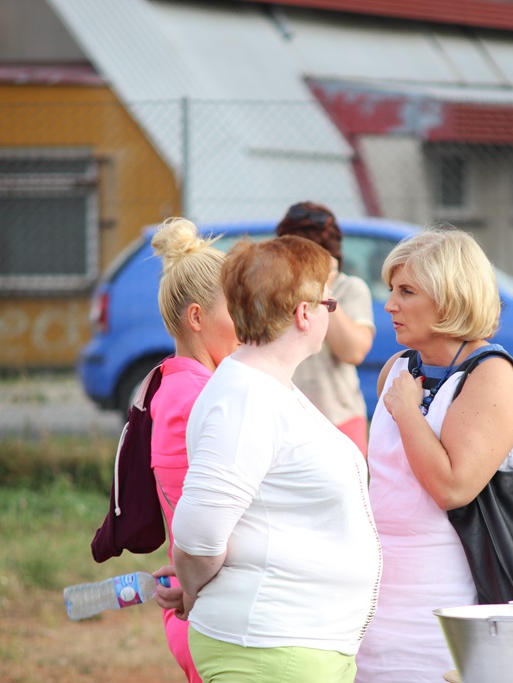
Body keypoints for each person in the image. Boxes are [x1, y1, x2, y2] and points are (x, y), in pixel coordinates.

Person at [171, 235, 383, 683]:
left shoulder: (264, 388)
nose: (332, 311)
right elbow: (197, 534)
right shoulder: (247, 398)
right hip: (269, 648)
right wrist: (193, 590)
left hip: (290, 647)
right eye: (330, 302)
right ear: (304, 314)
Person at [353, 226, 513, 682]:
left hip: (444, 605)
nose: (389, 304)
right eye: (391, 289)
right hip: (377, 599)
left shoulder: (492, 375)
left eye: (407, 291)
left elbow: (452, 488)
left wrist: (407, 413)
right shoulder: (400, 368)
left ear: (451, 297)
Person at [134, 217, 240, 683]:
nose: (250, 325)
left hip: (203, 600)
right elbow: (193, 523)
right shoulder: (192, 399)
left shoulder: (191, 385)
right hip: (203, 612)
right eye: (238, 311)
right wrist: (192, 585)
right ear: (197, 318)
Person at [276, 201, 375, 456]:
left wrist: (321, 291)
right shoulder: (274, 289)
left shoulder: (349, 289)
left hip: (338, 417)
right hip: (284, 421)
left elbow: (353, 351)